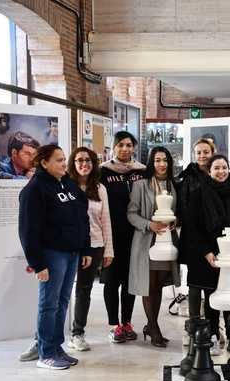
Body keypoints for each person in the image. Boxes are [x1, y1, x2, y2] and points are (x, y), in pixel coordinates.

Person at [18, 144, 92, 370]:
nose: (64, 163)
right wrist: (37, 264)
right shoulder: (35, 190)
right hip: (52, 254)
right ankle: (46, 353)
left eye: (63, 159)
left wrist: (86, 248)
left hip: (72, 253)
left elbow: (82, 217)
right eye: (59, 160)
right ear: (44, 163)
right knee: (48, 304)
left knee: (61, 303)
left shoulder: (68, 184)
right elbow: (28, 230)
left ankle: (56, 347)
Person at [188, 154, 230, 355]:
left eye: (224, 167)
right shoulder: (199, 193)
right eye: (216, 168)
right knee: (211, 295)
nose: (221, 171)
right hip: (211, 254)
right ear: (209, 171)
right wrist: (206, 252)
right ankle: (212, 335)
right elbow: (193, 226)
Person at [127, 146, 180, 347]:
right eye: (157, 160)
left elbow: (176, 210)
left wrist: (175, 221)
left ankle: (151, 326)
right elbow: (131, 213)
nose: (162, 164)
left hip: (166, 242)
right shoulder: (141, 185)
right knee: (149, 286)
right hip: (146, 243)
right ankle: (153, 326)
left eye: (165, 160)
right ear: (152, 162)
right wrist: (149, 225)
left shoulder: (173, 184)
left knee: (158, 285)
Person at [66, 147, 114, 352]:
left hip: (94, 245)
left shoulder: (100, 188)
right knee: (61, 291)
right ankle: (49, 334)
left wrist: (108, 250)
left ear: (93, 164)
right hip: (68, 246)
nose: (84, 164)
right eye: (79, 160)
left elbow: (106, 220)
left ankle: (78, 333)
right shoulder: (65, 186)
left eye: (88, 160)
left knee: (84, 290)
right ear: (73, 164)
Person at [100, 131, 146, 344]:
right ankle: (114, 325)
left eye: (129, 145)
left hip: (135, 235)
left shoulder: (142, 172)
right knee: (111, 282)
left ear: (134, 147)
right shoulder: (103, 172)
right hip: (111, 235)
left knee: (130, 282)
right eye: (121, 145)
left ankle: (127, 322)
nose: (125, 149)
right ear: (114, 147)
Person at [177, 138, 215, 337]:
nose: (202, 156)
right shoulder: (188, 177)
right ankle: (194, 327)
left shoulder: (218, 170)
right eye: (198, 152)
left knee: (211, 282)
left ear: (212, 152)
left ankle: (211, 326)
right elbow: (184, 209)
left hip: (214, 237)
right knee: (194, 283)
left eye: (205, 152)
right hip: (193, 235)